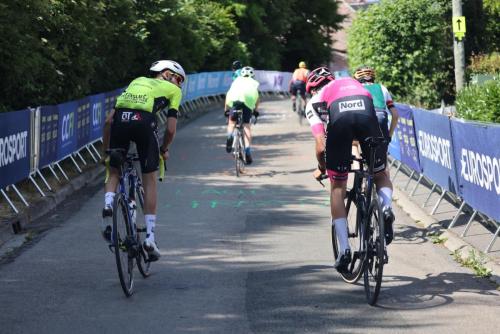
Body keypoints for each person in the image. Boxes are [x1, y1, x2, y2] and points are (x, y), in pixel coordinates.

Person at [306, 70, 392, 273]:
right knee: (380, 174)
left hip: (341, 120)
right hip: (366, 109)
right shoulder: (353, 84)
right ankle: (386, 208)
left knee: (337, 187)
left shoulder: (315, 101)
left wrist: (322, 167)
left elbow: (320, 146)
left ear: (312, 89)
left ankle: (344, 249)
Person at [101, 60, 185, 261]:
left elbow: (108, 120)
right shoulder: (173, 91)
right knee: (149, 180)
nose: (180, 84)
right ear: (166, 74)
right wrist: (164, 150)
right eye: (179, 79)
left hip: (121, 119)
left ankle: (108, 205)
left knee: (114, 171)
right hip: (144, 122)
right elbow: (171, 129)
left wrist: (106, 152)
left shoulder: (136, 81)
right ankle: (150, 238)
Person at [353, 65, 398, 244]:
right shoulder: (382, 88)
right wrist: (389, 136)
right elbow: (394, 114)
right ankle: (386, 207)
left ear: (357, 79)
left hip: (361, 123)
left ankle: (358, 175)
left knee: (353, 145)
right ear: (373, 77)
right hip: (380, 126)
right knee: (381, 173)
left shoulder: (354, 89)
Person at [224, 66, 260, 164]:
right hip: (248, 102)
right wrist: (256, 111)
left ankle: (229, 137)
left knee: (231, 123)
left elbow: (228, 95)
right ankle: (247, 149)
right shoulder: (254, 83)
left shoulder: (236, 81)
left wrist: (226, 110)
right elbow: (257, 98)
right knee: (246, 126)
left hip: (235, 100)